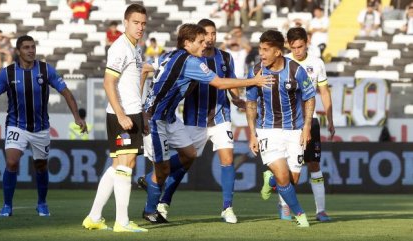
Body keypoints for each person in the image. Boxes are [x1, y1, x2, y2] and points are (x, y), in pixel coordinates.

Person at [141, 23, 271, 224]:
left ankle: (227, 208)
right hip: (162, 118)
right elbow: (219, 82)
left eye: (210, 36)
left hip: (187, 118)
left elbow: (145, 69)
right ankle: (153, 206)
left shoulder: (170, 55)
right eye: (201, 40)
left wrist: (236, 100)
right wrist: (253, 81)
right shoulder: (192, 62)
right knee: (166, 169)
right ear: (188, 42)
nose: (206, 42)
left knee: (191, 154)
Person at [0, 35, 87, 217]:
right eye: (26, 47)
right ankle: (7, 206)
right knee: (11, 161)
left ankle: (42, 203)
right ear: (18, 51)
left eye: (33, 47)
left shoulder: (45, 70)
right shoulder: (8, 73)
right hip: (16, 125)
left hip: (40, 128)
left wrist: (77, 117)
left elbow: (67, 93)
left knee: (40, 166)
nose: (31, 50)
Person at [81, 3, 148, 233]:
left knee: (119, 165)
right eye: (136, 23)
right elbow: (108, 82)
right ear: (126, 23)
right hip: (123, 114)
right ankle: (122, 221)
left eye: (143, 23)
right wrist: (121, 114)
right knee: (126, 165)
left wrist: (141, 115)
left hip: (132, 112)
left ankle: (94, 216)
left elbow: (130, 84)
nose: (140, 27)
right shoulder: (120, 47)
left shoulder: (135, 48)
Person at [260, 27, 335, 222]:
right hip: (288, 125)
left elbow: (324, 92)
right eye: (293, 48)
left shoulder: (317, 64)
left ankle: (321, 210)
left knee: (314, 164)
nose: (297, 51)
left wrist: (331, 119)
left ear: (307, 43)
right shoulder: (282, 62)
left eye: (300, 47)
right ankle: (285, 207)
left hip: (311, 122)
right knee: (286, 170)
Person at [245, 29, 316, 227]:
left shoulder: (296, 70)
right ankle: (301, 215)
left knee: (292, 180)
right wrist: (252, 134)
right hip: (268, 130)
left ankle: (271, 179)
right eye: (260, 49)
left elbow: (310, 97)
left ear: (278, 52)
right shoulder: (256, 71)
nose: (262, 54)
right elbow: (251, 104)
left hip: (295, 130)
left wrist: (307, 126)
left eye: (266, 50)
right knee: (284, 177)